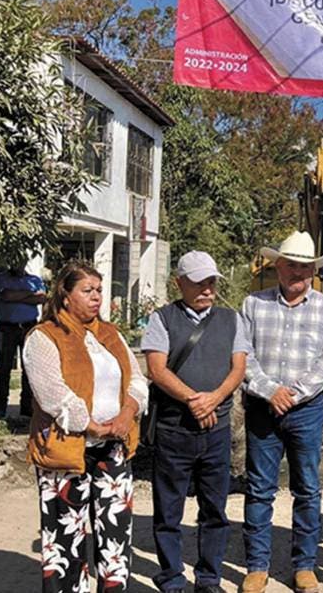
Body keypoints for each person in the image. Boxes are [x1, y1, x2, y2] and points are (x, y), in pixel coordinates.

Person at [23, 260, 148, 593]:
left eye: (99, 290)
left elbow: (137, 379)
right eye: (87, 290)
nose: (96, 297)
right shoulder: (44, 337)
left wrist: (127, 413)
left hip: (114, 447)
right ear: (66, 295)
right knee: (64, 539)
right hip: (65, 450)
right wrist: (92, 426)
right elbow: (53, 395)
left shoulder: (110, 334)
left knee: (116, 537)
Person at [239, 231, 323, 593]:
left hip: (306, 410)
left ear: (313, 270)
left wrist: (293, 394)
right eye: (291, 265)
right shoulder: (253, 304)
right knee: (259, 488)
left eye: (304, 267)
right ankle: (257, 566)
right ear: (278, 266)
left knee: (308, 489)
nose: (297, 272)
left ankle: (305, 565)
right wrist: (270, 391)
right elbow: (243, 355)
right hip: (262, 407)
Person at [141, 251, 248, 593]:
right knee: (168, 510)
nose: (207, 289)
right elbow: (156, 370)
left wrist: (214, 399)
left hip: (217, 430)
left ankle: (209, 579)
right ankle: (172, 578)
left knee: (215, 509)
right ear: (180, 283)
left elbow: (238, 368)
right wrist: (193, 399)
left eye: (211, 282)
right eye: (199, 282)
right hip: (174, 429)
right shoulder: (162, 319)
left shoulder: (231, 319)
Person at [0, 263, 46, 419]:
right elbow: (6, 296)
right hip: (7, 328)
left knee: (29, 368)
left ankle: (26, 409)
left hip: (29, 327)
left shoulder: (34, 280)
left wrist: (18, 296)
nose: (18, 264)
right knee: (4, 367)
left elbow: (42, 298)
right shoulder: (0, 278)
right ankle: (0, 408)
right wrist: (30, 295)